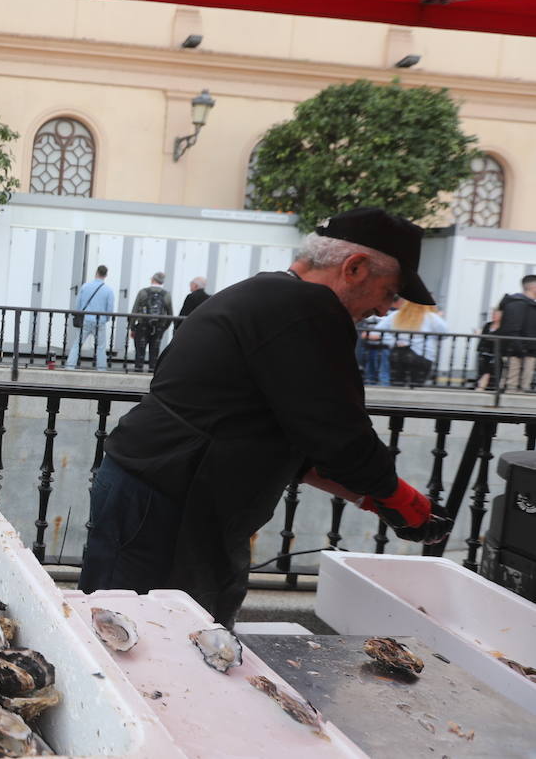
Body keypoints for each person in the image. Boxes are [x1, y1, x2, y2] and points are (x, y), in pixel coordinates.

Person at [78, 208, 452, 627]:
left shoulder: (261, 293)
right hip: (167, 500)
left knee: (148, 626)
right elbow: (339, 434)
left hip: (152, 487)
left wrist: (371, 498)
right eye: (390, 291)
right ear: (356, 267)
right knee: (146, 635)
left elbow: (292, 433)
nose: (387, 308)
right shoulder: (311, 308)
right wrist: (397, 496)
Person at [378, 300, 448, 387]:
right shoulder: (431, 317)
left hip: (398, 353)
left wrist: (393, 341)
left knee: (397, 383)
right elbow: (444, 334)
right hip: (423, 354)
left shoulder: (396, 315)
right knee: (417, 385)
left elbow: (377, 331)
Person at [65, 265, 115, 370]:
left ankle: (70, 366)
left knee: (77, 344)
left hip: (86, 320)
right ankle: (101, 369)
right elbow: (109, 309)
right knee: (100, 347)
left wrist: (79, 314)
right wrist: (105, 319)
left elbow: (78, 304)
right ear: (105, 275)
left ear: (96, 272)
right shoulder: (109, 290)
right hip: (99, 321)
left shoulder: (85, 286)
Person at [494, 275, 536, 392]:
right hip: (517, 352)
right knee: (511, 385)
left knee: (524, 386)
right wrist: (520, 350)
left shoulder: (529, 304)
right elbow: (511, 329)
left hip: (528, 351)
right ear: (533, 287)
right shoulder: (517, 303)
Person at [128, 272, 172, 372]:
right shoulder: (166, 295)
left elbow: (134, 311)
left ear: (152, 279)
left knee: (140, 352)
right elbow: (170, 314)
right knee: (154, 352)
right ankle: (152, 372)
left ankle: (138, 370)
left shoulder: (143, 292)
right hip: (158, 327)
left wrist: (132, 327)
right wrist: (164, 328)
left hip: (142, 326)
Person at [475, 307, 501, 391]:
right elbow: (483, 338)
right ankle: (481, 384)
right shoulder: (488, 325)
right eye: (492, 314)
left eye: (495, 314)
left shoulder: (503, 327)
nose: (493, 315)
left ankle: (482, 386)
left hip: (494, 354)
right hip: (484, 352)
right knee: (482, 366)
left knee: (489, 370)